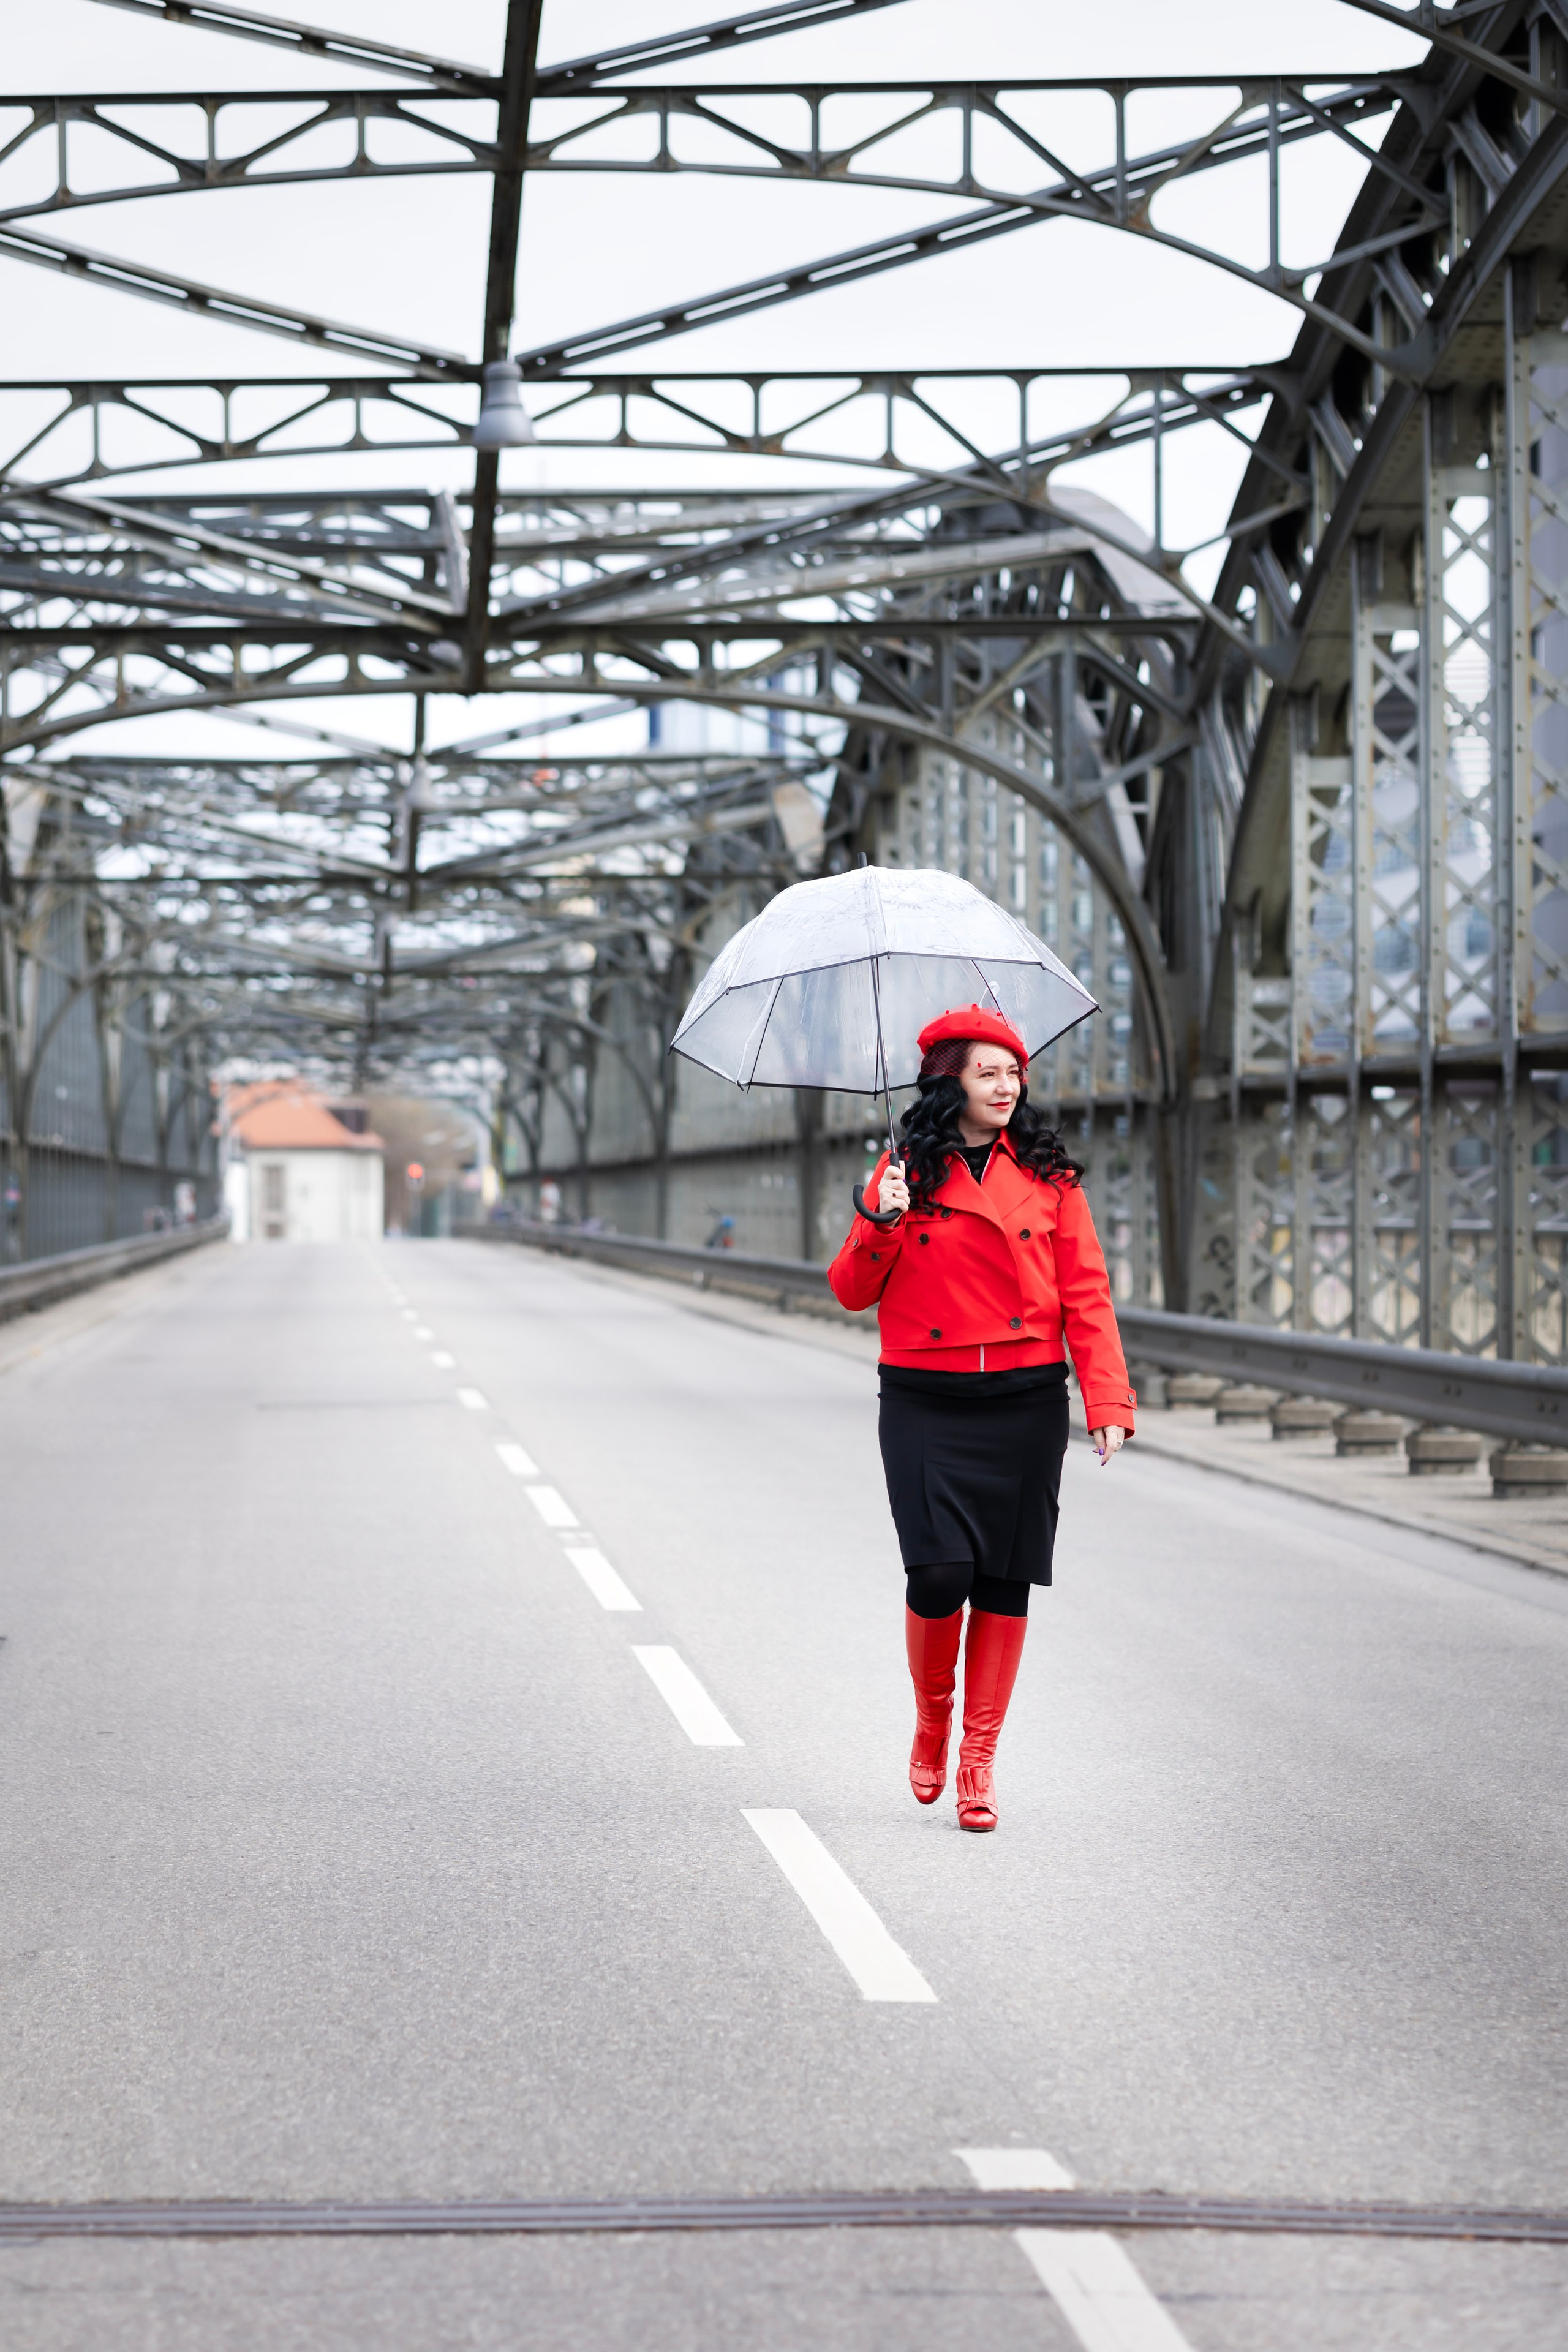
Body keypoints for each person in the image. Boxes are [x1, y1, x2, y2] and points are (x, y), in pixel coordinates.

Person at [829, 1006, 1136, 1833]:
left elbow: (1087, 1294)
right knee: (938, 1575)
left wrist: (1107, 1399)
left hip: (1025, 1399)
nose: (1006, 1088)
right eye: (987, 1074)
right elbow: (852, 1291)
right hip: (925, 1397)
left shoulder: (1050, 1177)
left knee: (1005, 1579)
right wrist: (881, 1220)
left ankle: (978, 1758)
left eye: (1014, 1074)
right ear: (948, 1083)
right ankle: (933, 1719)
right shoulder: (901, 1174)